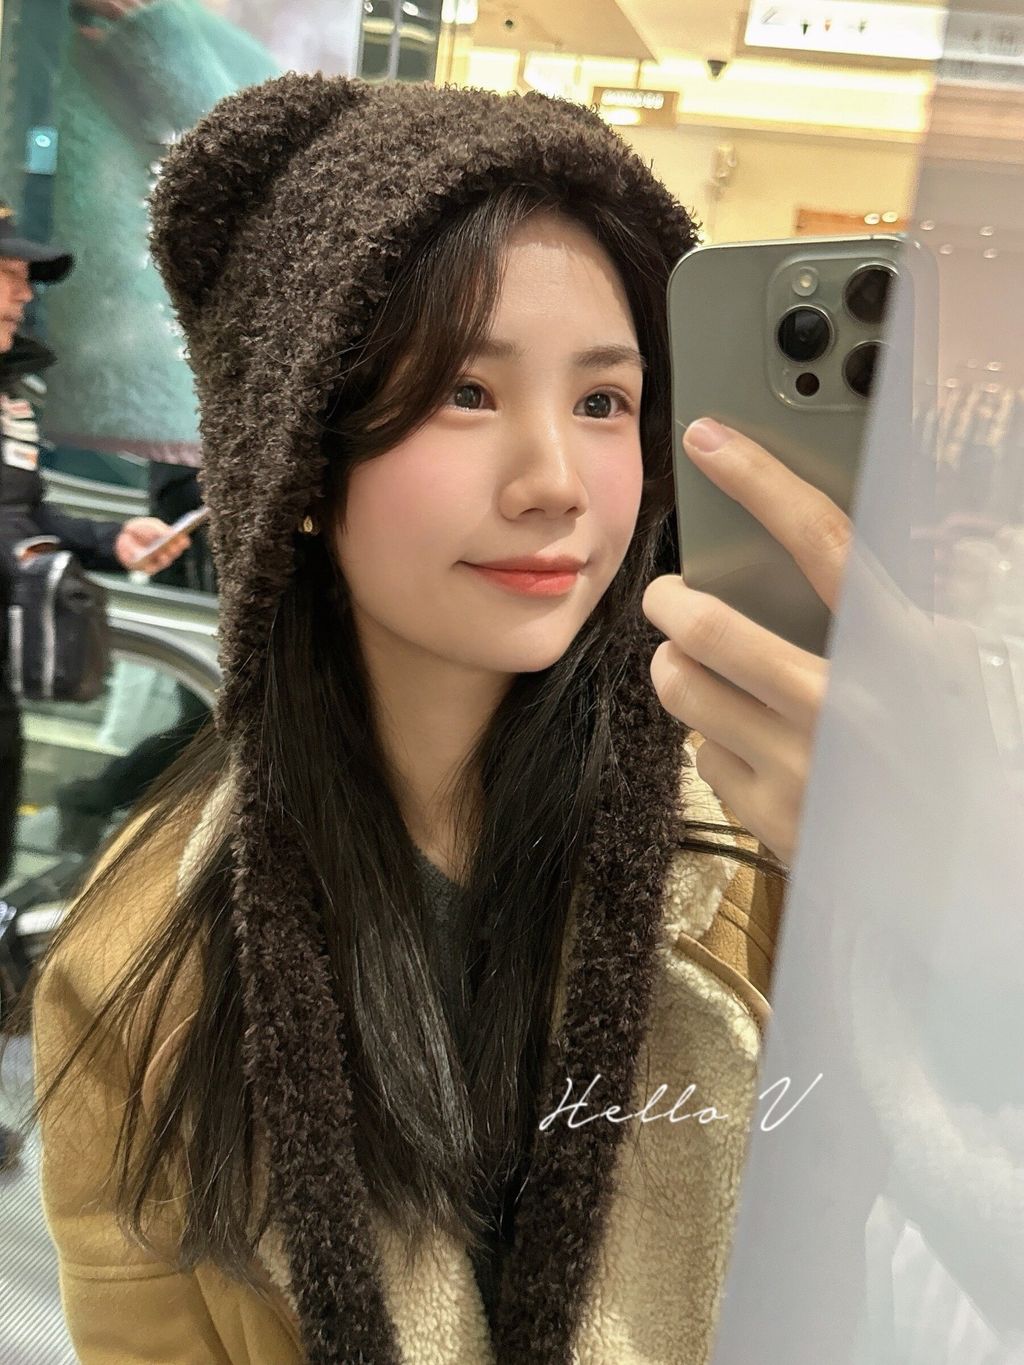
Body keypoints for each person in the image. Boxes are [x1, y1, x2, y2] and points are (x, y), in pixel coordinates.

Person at [21, 76, 847, 1362]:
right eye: (465, 391)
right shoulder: (143, 962)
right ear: (300, 459)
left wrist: (904, 897)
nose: (554, 485)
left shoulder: (759, 842)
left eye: (602, 401)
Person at [0, 201, 191, 1168]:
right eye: (5, 274)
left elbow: (21, 516)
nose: (21, 294)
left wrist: (111, 541)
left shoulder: (13, 397)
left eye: (24, 279)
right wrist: (31, 558)